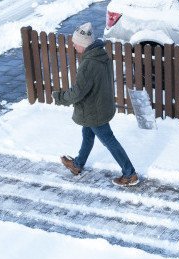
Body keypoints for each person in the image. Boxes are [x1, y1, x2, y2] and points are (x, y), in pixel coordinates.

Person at [52, 22, 138, 187]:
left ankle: (129, 174)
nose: (73, 44)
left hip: (94, 111)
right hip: (100, 105)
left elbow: (77, 92)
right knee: (88, 134)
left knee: (109, 140)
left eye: (75, 42)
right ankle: (77, 165)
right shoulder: (101, 54)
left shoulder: (88, 64)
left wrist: (60, 97)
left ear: (83, 45)